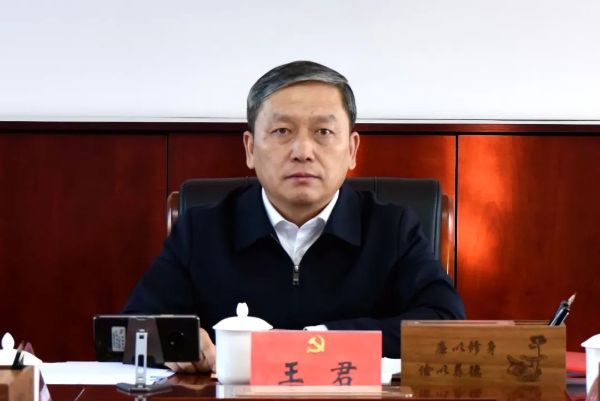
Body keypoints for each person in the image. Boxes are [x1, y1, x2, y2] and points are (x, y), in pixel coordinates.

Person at [123, 60, 465, 373]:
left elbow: (445, 324)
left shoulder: (392, 228)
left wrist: (320, 341)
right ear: (250, 149)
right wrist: (171, 340)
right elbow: (128, 330)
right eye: (282, 131)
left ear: (352, 150)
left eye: (323, 132)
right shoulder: (202, 230)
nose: (303, 151)